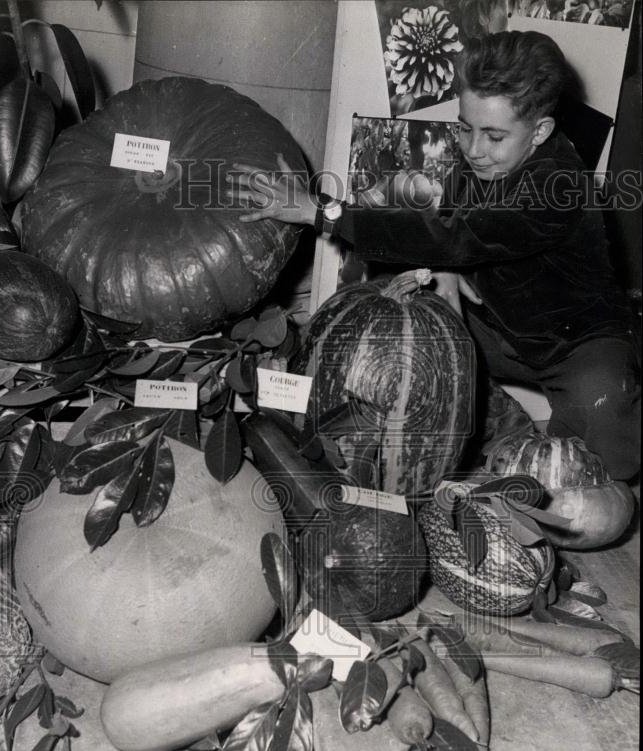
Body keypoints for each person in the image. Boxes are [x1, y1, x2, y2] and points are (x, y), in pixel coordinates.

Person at [232, 30, 640, 482]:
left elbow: (456, 234)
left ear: (540, 131)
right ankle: (480, 417)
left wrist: (321, 212)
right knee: (389, 308)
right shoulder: (487, 157)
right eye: (466, 127)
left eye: (493, 135)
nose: (473, 148)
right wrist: (445, 273)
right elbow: (452, 221)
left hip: (574, 342)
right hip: (499, 323)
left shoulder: (557, 187)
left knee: (593, 465)